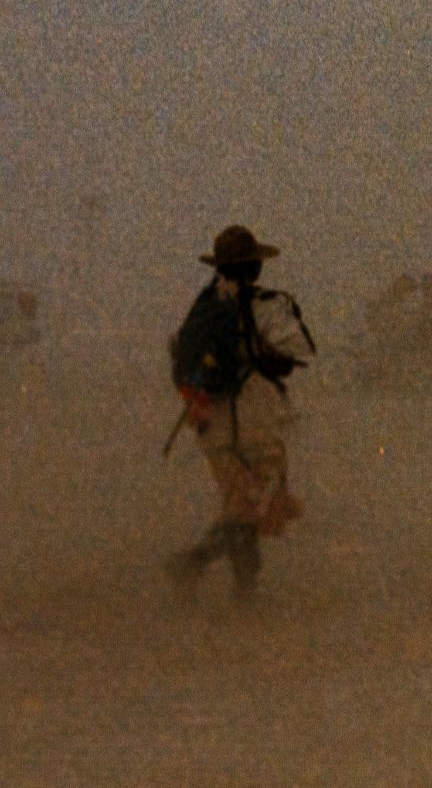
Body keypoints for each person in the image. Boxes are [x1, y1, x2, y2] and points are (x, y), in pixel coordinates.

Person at [166, 226, 315, 601]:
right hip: (252, 417)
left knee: (240, 502)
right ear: (254, 266)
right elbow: (298, 348)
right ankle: (198, 564)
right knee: (258, 503)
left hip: (208, 418)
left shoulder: (205, 306)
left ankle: (242, 587)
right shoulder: (267, 305)